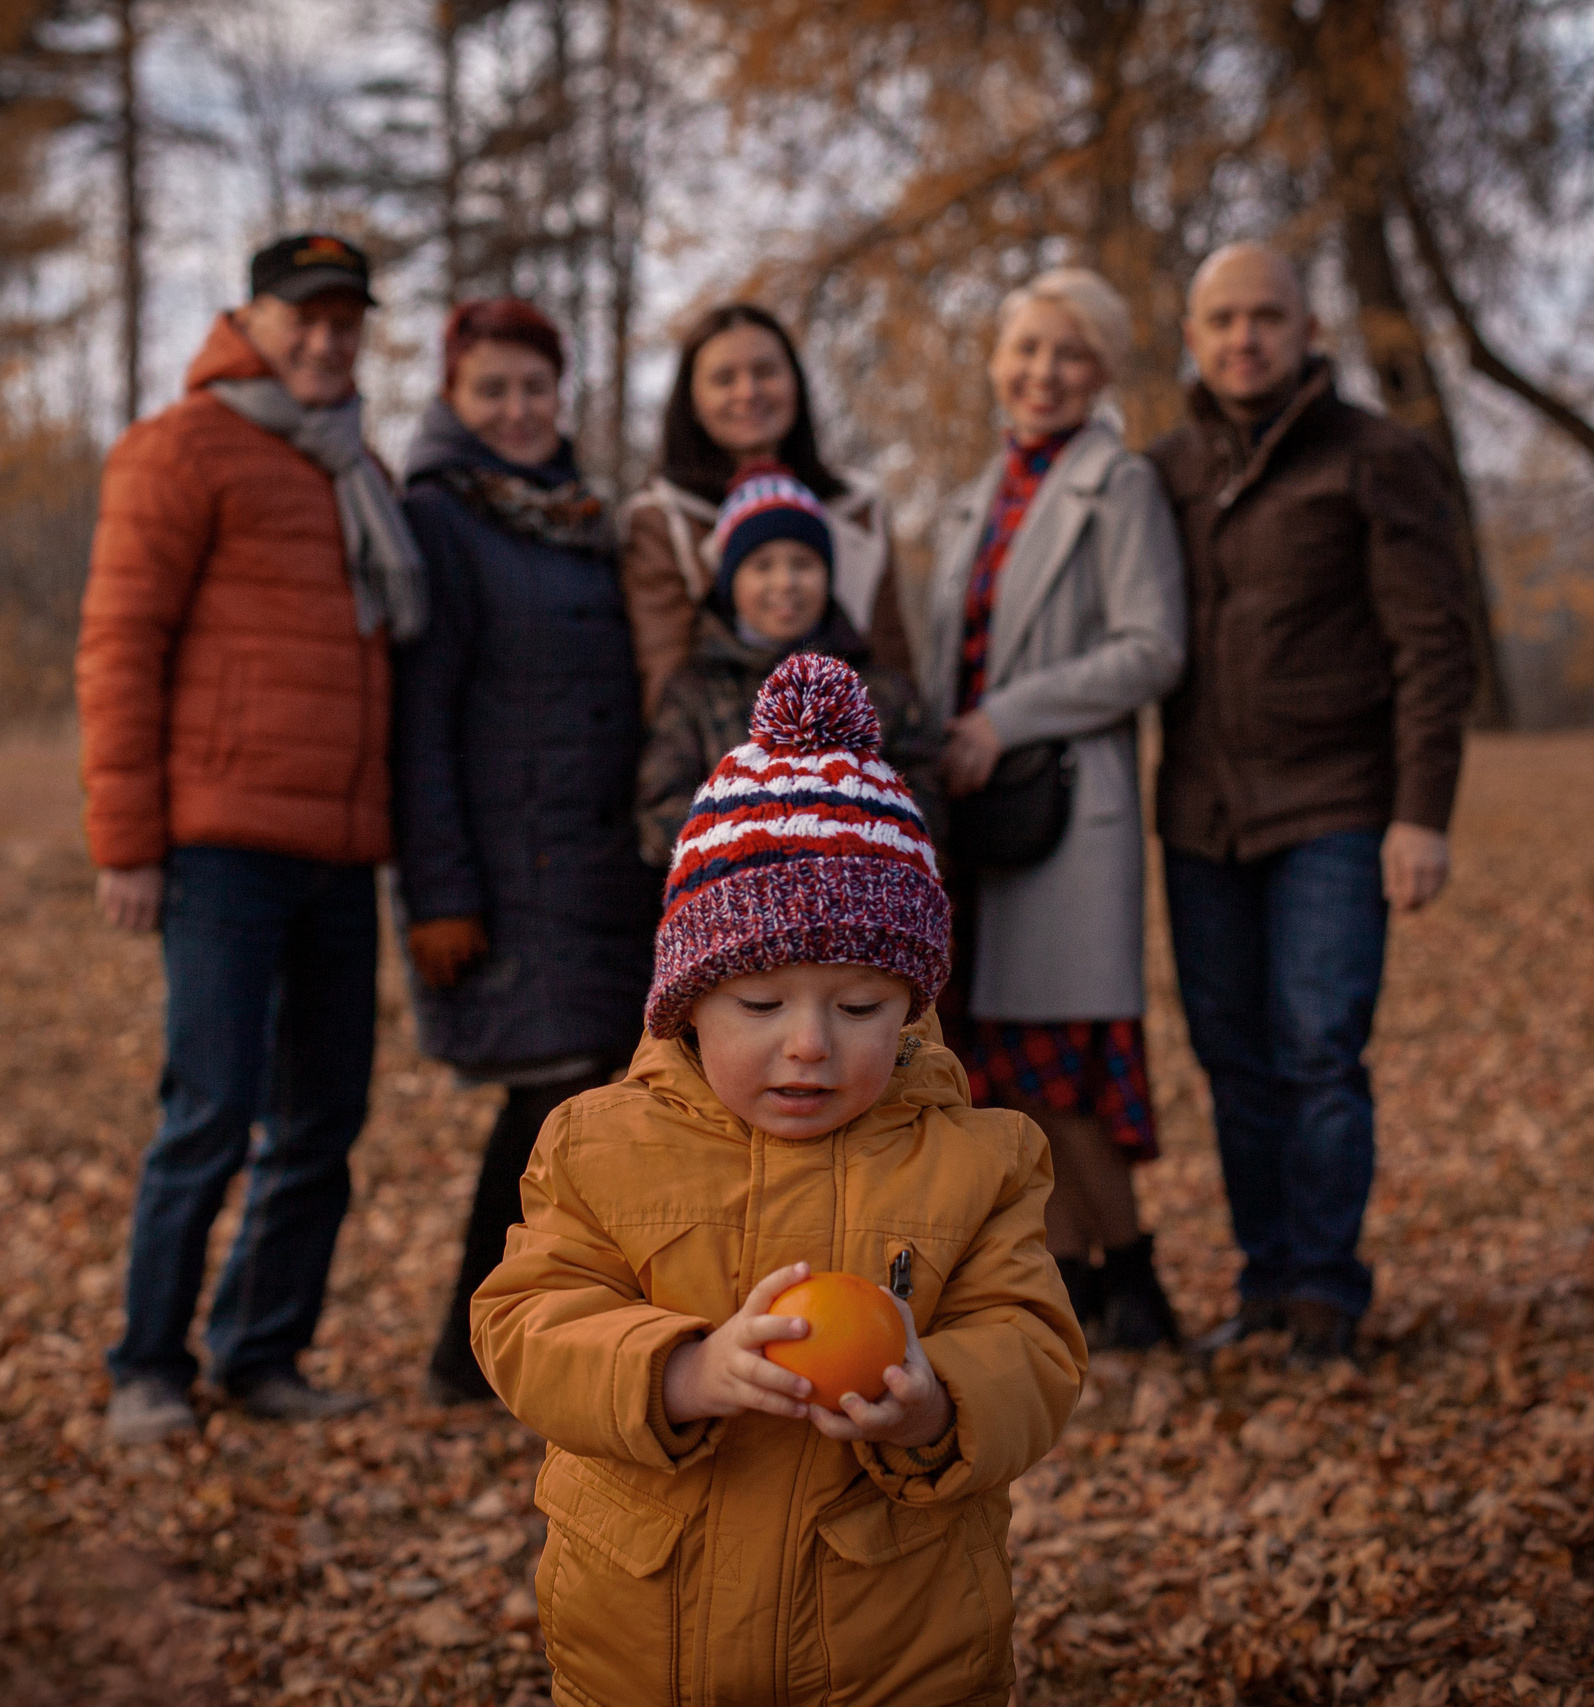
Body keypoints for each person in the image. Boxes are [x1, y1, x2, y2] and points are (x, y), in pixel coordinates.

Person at [472, 654, 1084, 1707]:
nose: (809, 1044)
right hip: (644, 1640)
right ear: (688, 1002)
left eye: (858, 1008)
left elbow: (1032, 1344)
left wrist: (938, 1402)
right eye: (760, 1005)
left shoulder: (978, 1160)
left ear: (911, 1010)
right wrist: (678, 1372)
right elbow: (525, 1320)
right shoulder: (598, 1145)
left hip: (897, 1642)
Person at [78, 232, 426, 1444]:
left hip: (340, 849)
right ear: (252, 321)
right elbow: (119, 647)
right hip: (221, 846)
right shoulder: (181, 448)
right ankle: (146, 1367)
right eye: (304, 318)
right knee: (210, 1112)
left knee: (323, 1118)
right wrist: (127, 840)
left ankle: (260, 1354)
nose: (326, 340)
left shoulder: (357, 465)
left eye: (346, 321)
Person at [1146, 241, 1476, 1367]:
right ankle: (1267, 1283)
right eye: (1223, 319)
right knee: (1231, 1062)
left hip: (1334, 806)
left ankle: (1328, 1294)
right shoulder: (1167, 470)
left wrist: (1421, 812)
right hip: (1200, 817)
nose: (1245, 338)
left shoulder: (1377, 458)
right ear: (1193, 337)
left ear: (1308, 330)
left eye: (1267, 317)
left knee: (1319, 1051)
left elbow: (1434, 645)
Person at [392, 298, 660, 1408]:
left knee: (598, 1092)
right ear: (453, 398)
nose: (515, 409)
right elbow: (419, 722)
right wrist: (439, 892)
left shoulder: (580, 514)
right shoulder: (439, 519)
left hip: (603, 865)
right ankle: (467, 1352)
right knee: (543, 1100)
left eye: (533, 388)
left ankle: (557, 1331)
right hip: (509, 872)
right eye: (490, 389)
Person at [920, 266, 1188, 1353]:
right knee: (1002, 1065)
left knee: (1062, 1064)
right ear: (996, 361)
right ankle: (1074, 1284)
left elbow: (1152, 648)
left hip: (1067, 814)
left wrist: (1005, 717)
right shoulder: (973, 498)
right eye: (1027, 348)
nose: (1044, 371)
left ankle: (1138, 1280)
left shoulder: (1117, 485)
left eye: (1070, 353)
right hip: (977, 819)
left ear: (1103, 371)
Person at [634, 463, 943, 866]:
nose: (785, 582)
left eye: (803, 563)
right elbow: (660, 813)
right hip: (737, 898)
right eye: (762, 565)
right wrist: (761, 841)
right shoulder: (694, 691)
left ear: (828, 575)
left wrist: (844, 837)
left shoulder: (880, 689)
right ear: (730, 582)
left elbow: (927, 802)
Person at [620, 303, 912, 714]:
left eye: (765, 371)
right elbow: (664, 681)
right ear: (693, 402)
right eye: (724, 379)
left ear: (796, 383)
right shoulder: (661, 519)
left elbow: (894, 668)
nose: (748, 392)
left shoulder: (859, 508)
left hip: (854, 740)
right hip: (725, 745)